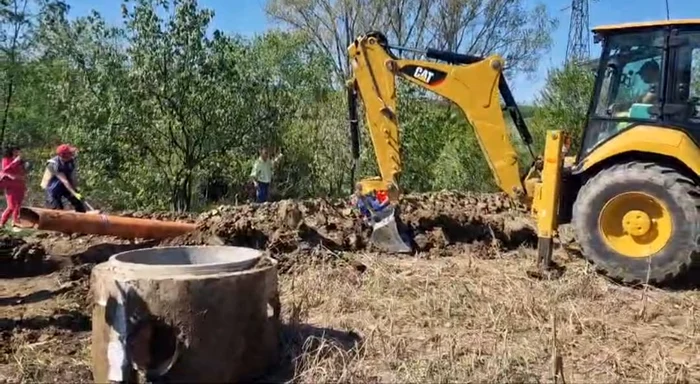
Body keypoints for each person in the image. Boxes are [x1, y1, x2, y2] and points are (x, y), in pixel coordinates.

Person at [40, 144, 86, 212]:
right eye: (69, 153)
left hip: (65, 187)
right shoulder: (53, 164)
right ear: (63, 155)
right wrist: (74, 193)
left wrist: (76, 191)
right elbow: (64, 181)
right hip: (53, 190)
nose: (71, 154)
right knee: (59, 211)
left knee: (79, 205)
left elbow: (72, 177)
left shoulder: (71, 161)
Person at [0, 145, 27, 228]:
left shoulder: (20, 161)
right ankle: (2, 222)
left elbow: (23, 172)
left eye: (18, 150)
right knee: (11, 206)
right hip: (10, 185)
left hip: (20, 184)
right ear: (11, 151)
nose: (17, 152)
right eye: (15, 150)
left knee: (18, 205)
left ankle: (15, 222)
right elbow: (5, 170)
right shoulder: (6, 159)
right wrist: (15, 162)